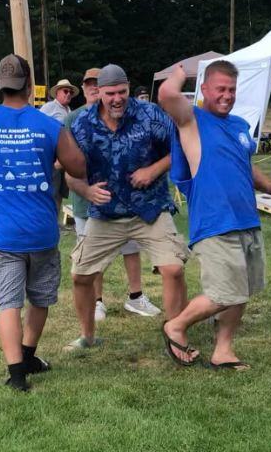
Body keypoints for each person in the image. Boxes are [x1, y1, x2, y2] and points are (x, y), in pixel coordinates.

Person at [158, 61, 271, 370]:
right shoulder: (192, 119)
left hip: (247, 219)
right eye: (220, 88)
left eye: (232, 89)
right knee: (221, 294)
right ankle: (175, 326)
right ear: (203, 90)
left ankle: (223, 351)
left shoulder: (239, 126)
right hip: (215, 222)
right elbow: (166, 94)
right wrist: (181, 71)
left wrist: (270, 186)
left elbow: (244, 164)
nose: (227, 95)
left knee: (240, 290)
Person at [0, 55, 86, 392]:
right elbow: (77, 167)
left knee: (8, 304)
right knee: (40, 298)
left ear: (0, 83)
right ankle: (29, 354)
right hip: (41, 232)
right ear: (28, 81)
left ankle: (17, 375)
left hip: (2, 233)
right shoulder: (49, 125)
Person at [64, 64, 190, 351]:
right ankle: (88, 337)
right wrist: (85, 190)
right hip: (106, 214)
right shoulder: (82, 123)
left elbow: (181, 145)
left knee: (173, 269)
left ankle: (176, 335)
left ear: (128, 90)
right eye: (110, 93)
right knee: (79, 276)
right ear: (99, 93)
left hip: (150, 209)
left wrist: (154, 169)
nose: (117, 99)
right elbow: (69, 170)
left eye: (122, 92)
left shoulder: (150, 114)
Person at [65, 69, 161, 322]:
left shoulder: (127, 115)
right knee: (90, 260)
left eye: (99, 85)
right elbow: (65, 161)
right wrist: (84, 187)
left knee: (132, 249)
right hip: (88, 203)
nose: (93, 89)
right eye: (89, 85)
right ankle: (97, 302)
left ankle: (136, 296)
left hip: (127, 204)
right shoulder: (75, 118)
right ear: (85, 88)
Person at [41, 79, 79, 218]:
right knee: (52, 189)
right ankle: (49, 221)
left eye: (70, 92)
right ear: (57, 92)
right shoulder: (49, 107)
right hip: (53, 155)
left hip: (67, 156)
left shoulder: (70, 111)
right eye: (65, 91)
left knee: (61, 191)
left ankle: (56, 221)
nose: (68, 94)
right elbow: (40, 128)